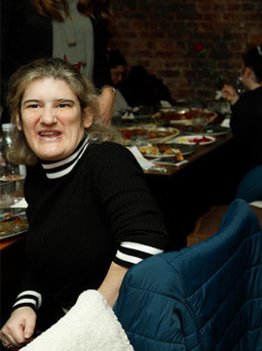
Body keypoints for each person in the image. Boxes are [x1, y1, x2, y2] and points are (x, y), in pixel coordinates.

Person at [0, 58, 168, 349]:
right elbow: (43, 257)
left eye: (63, 105)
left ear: (87, 116)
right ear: (18, 119)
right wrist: (23, 306)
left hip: (126, 329)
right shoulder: (39, 177)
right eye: (34, 106)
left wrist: (84, 320)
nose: (48, 118)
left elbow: (146, 240)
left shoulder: (106, 159)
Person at [220, 44, 262, 202]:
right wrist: (236, 101)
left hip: (259, 169)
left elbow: (238, 130)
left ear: (248, 71)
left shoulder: (251, 100)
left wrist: (236, 103)